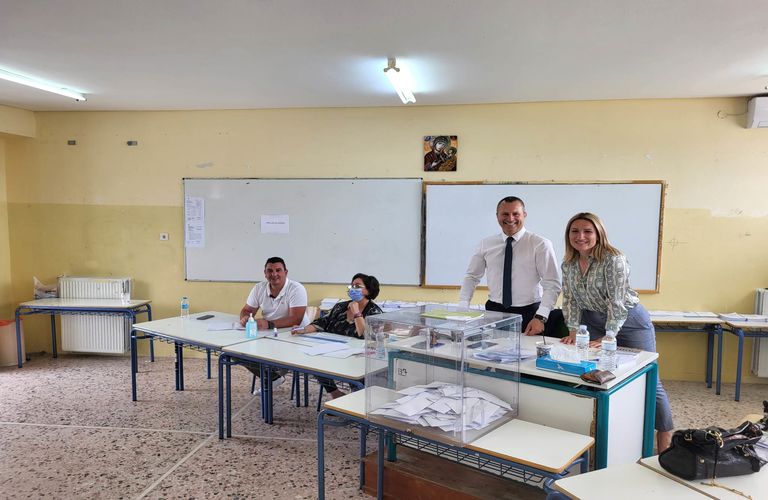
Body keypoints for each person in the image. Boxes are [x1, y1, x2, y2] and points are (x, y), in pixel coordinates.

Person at [559, 212, 674, 452]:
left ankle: (665, 442)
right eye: (575, 231)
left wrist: (608, 336)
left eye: (587, 231)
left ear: (599, 233)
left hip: (629, 321)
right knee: (598, 376)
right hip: (592, 321)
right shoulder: (568, 264)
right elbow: (570, 300)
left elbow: (617, 301)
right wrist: (573, 330)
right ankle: (614, 436)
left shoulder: (613, 259)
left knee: (649, 378)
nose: (580, 236)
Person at [458, 196, 562, 336]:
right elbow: (472, 276)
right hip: (494, 311)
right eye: (505, 214)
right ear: (497, 216)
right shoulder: (486, 244)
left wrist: (541, 317)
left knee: (528, 349)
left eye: (515, 214)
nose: (510, 218)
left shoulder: (540, 244)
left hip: (529, 313)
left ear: (524, 215)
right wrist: (463, 307)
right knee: (492, 349)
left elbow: (552, 284)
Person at [293, 273, 383, 399]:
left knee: (355, 374)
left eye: (357, 286)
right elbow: (323, 322)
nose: (352, 289)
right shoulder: (340, 307)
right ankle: (335, 394)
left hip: (357, 358)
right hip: (334, 352)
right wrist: (303, 329)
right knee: (315, 361)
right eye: (351, 286)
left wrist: (357, 313)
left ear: (368, 290)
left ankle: (356, 397)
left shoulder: (374, 312)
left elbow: (364, 334)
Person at [239, 256, 309, 393]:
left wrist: (268, 324)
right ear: (265, 273)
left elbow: (295, 319)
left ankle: (274, 374)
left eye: (278, 270)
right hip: (268, 333)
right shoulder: (259, 288)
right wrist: (245, 318)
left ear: (285, 272)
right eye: (270, 271)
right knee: (237, 352)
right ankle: (272, 377)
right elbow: (247, 310)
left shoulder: (296, 288)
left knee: (274, 356)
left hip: (295, 335)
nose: (274, 274)